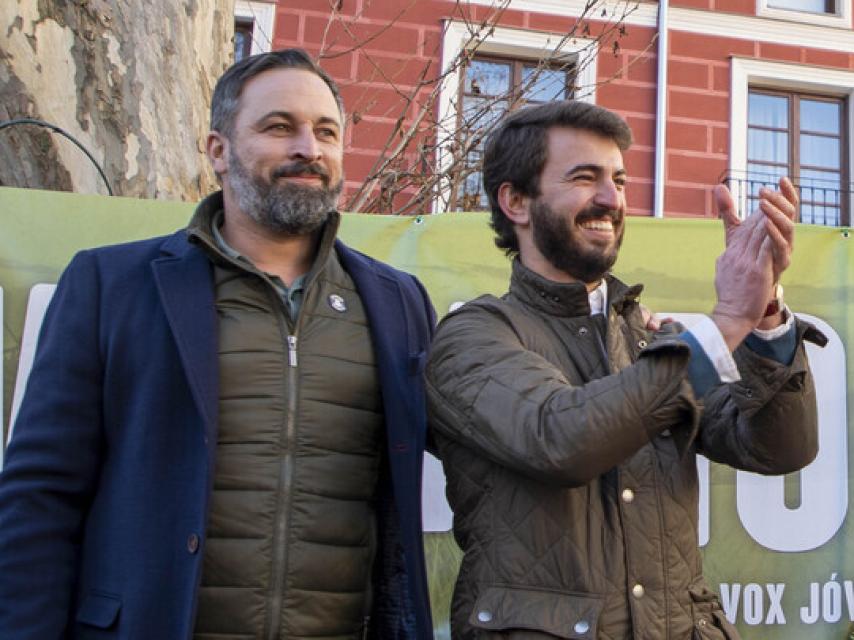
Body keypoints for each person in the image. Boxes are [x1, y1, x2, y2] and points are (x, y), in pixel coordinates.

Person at [0, 49, 435, 640]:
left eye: (326, 131)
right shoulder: (111, 285)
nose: (309, 148)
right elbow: (39, 495)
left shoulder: (396, 301)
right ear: (218, 150)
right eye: (280, 127)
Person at [426, 101, 824, 639]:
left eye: (618, 179)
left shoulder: (650, 339)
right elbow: (560, 437)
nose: (612, 199)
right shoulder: (473, 336)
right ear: (515, 200)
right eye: (584, 178)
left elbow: (779, 450)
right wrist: (728, 318)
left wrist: (766, 312)